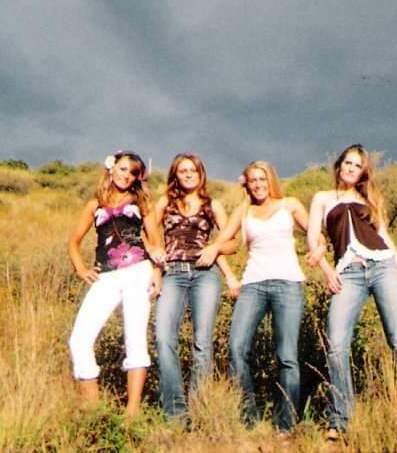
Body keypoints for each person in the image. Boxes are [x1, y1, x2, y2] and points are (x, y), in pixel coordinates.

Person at [306, 144, 397, 439]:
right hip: (348, 274)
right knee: (336, 344)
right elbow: (313, 238)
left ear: (363, 172)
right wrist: (326, 270)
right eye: (348, 162)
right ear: (339, 165)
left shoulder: (369, 199)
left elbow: (383, 236)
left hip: (383, 267)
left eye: (357, 165)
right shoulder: (323, 198)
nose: (351, 168)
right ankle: (340, 419)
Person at [197, 160, 309, 432]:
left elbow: (315, 233)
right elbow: (224, 240)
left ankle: (285, 424)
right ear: (246, 184)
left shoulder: (290, 204)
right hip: (253, 284)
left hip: (288, 284)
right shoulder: (244, 210)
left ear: (271, 180)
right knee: (236, 347)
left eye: (262, 178)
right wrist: (213, 249)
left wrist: (318, 250)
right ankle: (248, 418)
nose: (258, 184)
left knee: (287, 356)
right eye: (253, 180)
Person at [68, 150, 163, 416]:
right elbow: (73, 241)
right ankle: (93, 410)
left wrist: (157, 273)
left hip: (138, 272)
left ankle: (132, 414)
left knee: (135, 340)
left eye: (133, 172)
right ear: (111, 168)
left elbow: (156, 242)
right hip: (106, 276)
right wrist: (81, 268)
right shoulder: (95, 204)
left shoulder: (142, 202)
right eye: (123, 169)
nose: (126, 176)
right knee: (79, 339)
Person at [153, 153, 239, 420]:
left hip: (204, 275)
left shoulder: (212, 205)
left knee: (202, 342)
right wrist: (155, 259)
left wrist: (215, 248)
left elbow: (233, 243)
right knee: (163, 337)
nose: (188, 174)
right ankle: (175, 412)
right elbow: (147, 231)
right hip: (173, 274)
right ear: (175, 175)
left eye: (192, 170)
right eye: (183, 171)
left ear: (201, 174)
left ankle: (199, 407)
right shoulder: (165, 202)